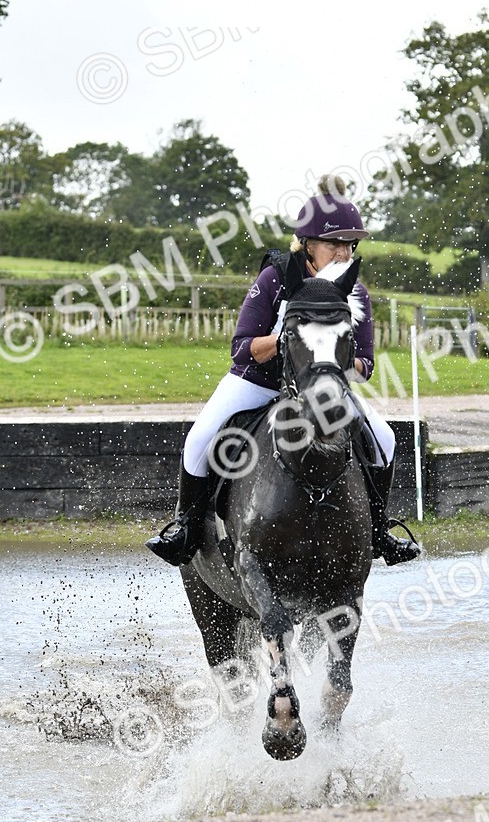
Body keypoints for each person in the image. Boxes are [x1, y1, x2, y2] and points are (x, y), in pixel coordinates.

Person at [146, 175, 421, 568]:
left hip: (321, 389)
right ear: (308, 244)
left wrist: (328, 356)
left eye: (350, 244)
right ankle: (186, 529)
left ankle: (379, 532)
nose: (344, 253)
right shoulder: (275, 278)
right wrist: (286, 340)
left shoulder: (353, 292)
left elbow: (366, 365)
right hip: (258, 383)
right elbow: (241, 347)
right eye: (334, 244)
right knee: (198, 440)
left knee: (386, 439)